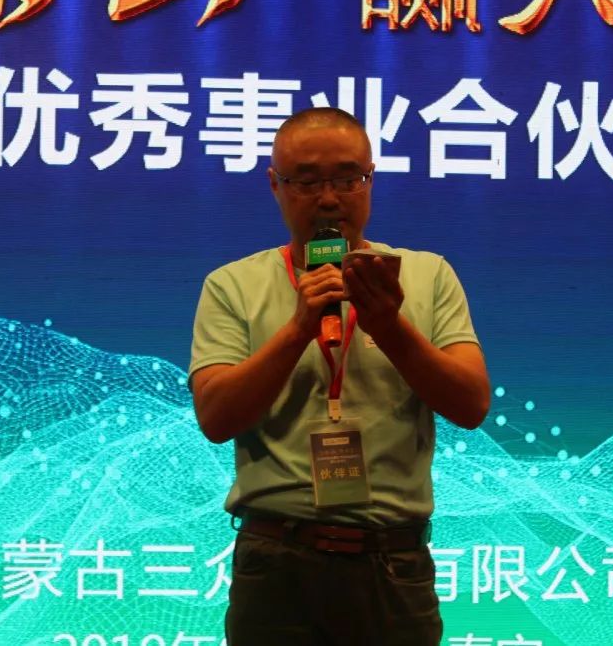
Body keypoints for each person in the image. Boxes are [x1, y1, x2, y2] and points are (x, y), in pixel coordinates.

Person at [189, 107, 490, 646]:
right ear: (275, 185)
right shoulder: (231, 285)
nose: (329, 199)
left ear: (370, 179)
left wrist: (390, 327)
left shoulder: (427, 276)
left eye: (349, 179)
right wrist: (298, 328)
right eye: (306, 182)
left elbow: (472, 406)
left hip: (392, 562)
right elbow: (216, 418)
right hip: (276, 561)